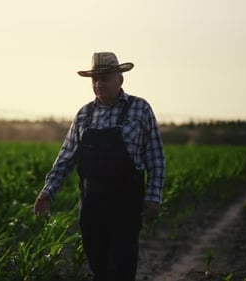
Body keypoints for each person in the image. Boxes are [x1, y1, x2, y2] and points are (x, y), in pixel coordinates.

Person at [33, 52, 166, 281]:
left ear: (120, 79)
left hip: (126, 201)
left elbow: (155, 158)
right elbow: (66, 157)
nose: (98, 84)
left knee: (122, 265)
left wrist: (153, 198)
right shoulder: (84, 114)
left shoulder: (140, 109)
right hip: (92, 202)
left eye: (104, 78)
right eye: (95, 79)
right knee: (99, 267)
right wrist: (47, 191)